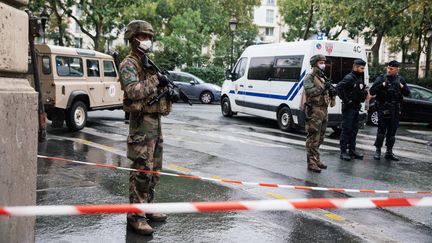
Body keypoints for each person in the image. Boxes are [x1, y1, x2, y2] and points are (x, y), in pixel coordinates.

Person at [120, 20, 172, 235]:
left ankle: (147, 208)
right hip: (141, 126)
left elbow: (153, 90)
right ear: (133, 39)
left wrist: (167, 90)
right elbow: (133, 91)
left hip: (155, 125)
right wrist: (155, 81)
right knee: (142, 170)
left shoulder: (148, 63)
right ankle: (135, 216)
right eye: (143, 37)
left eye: (149, 37)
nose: (147, 41)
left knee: (154, 171)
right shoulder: (128, 64)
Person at [369, 60, 410, 161]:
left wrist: (402, 86)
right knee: (381, 131)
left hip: (395, 109)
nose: (389, 70)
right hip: (383, 107)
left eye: (391, 69)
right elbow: (372, 91)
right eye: (388, 68)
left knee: (392, 132)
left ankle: (389, 152)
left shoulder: (401, 79)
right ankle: (378, 151)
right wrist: (382, 85)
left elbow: (407, 93)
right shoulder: (381, 78)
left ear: (397, 69)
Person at [304, 54, 336, 173]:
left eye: (324, 62)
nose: (323, 65)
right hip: (314, 110)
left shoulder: (322, 77)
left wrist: (332, 92)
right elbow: (309, 91)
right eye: (320, 62)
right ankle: (311, 162)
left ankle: (316, 159)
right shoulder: (310, 77)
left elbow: (325, 92)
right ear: (314, 64)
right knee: (313, 137)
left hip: (323, 110)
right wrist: (323, 88)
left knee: (321, 137)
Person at [336, 59, 368, 161]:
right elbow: (338, 88)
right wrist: (346, 100)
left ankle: (352, 150)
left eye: (363, 68)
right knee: (347, 129)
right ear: (355, 67)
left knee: (354, 130)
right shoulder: (350, 77)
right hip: (349, 108)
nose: (363, 70)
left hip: (356, 107)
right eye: (361, 68)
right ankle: (343, 152)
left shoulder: (358, 77)